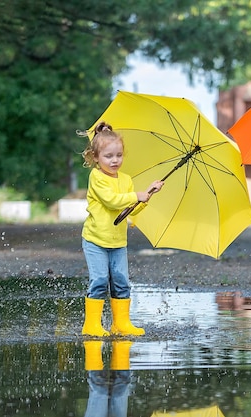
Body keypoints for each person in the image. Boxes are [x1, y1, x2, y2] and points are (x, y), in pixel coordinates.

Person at [80, 121, 164, 338]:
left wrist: (147, 194)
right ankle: (91, 324)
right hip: (96, 240)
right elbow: (111, 201)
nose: (115, 160)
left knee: (121, 281)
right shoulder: (96, 177)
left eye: (119, 155)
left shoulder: (126, 180)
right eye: (108, 156)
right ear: (96, 157)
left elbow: (127, 208)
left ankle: (121, 323)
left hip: (118, 242)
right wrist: (135, 195)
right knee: (99, 280)